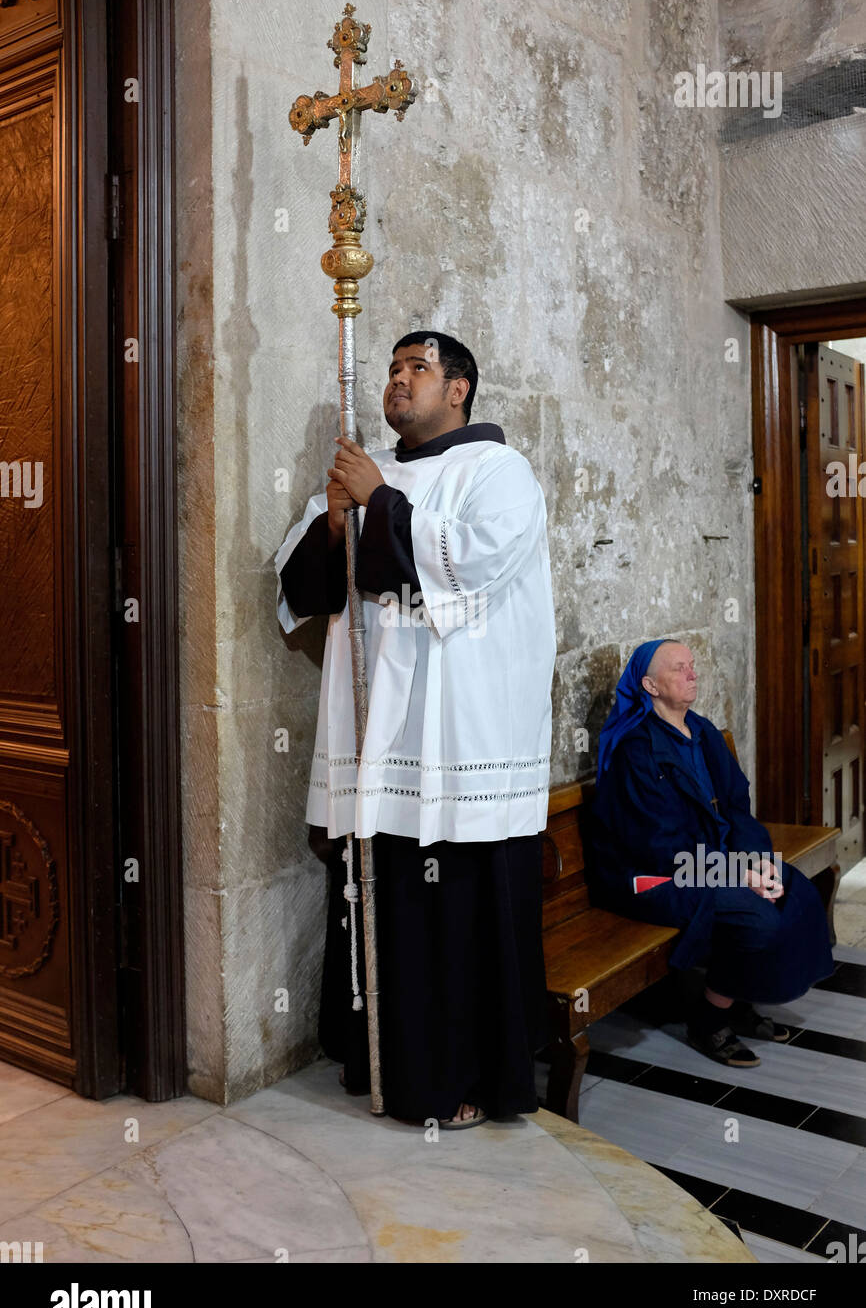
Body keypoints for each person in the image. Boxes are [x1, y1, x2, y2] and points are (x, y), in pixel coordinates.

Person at [274, 331, 557, 1127]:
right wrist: (333, 526)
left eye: (418, 369)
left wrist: (377, 505)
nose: (399, 381)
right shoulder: (370, 473)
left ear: (459, 388)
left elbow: (465, 568)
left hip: (463, 735)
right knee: (382, 897)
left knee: (456, 917)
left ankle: (464, 1078)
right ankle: (382, 1061)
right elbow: (310, 595)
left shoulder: (501, 474)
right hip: (379, 740)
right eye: (394, 369)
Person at [583, 638, 835, 1066]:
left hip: (713, 862)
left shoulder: (700, 731)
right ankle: (708, 1017)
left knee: (795, 892)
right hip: (651, 875)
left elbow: (737, 803)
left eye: (692, 665)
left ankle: (740, 998)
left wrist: (754, 859)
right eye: (678, 668)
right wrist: (735, 874)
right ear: (650, 685)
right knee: (755, 918)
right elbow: (658, 847)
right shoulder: (636, 751)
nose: (692, 673)